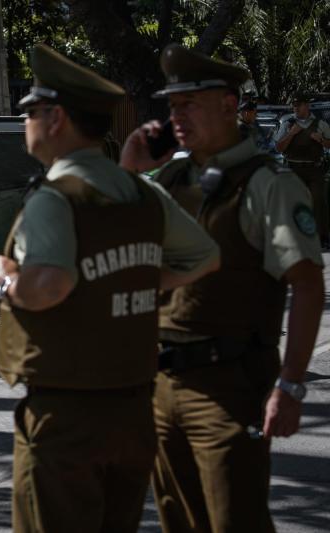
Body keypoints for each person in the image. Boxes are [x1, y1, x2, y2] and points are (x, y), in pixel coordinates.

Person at [0, 43, 220, 533]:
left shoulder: (56, 197)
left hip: (67, 418)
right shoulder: (141, 191)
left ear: (56, 119)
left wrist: (3, 280)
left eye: (31, 110)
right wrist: (134, 281)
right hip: (133, 409)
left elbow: (49, 286)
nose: (25, 120)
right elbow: (205, 257)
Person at [121, 44, 325, 533]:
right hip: (161, 384)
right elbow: (113, 239)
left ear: (229, 106)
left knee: (234, 520)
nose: (176, 117)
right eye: (171, 107)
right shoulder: (170, 177)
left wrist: (291, 385)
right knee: (178, 519)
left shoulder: (268, 185)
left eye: (187, 105)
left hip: (229, 384)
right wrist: (128, 168)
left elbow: (308, 285)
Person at [275, 93, 330, 246]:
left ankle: (322, 237)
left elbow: (329, 144)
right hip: (293, 169)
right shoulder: (288, 123)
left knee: (318, 200)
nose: (296, 107)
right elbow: (279, 147)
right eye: (294, 105)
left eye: (299, 104)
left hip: (314, 169)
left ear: (307, 106)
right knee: (293, 201)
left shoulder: (320, 124)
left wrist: (321, 139)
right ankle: (293, 236)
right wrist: (291, 134)